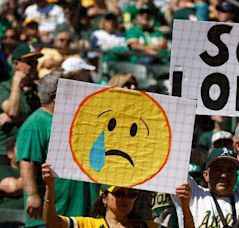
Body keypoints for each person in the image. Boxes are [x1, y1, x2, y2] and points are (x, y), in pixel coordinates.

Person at [16, 72, 100, 227]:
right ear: (56, 95)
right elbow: (26, 163)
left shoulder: (71, 120)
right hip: (51, 214)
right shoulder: (35, 123)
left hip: (76, 213)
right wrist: (32, 195)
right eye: (70, 91)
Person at [42, 163, 148, 227]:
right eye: (119, 194)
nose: (125, 198)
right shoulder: (88, 225)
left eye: (131, 194)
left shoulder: (145, 226)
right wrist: (49, 186)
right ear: (104, 198)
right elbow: (52, 222)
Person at [0, 44, 42, 165]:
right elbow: (13, 111)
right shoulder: (3, 87)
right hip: (5, 151)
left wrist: (18, 117)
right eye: (30, 62)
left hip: (31, 151)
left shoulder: (38, 90)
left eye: (36, 63)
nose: (34, 67)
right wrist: (17, 81)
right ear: (16, 64)